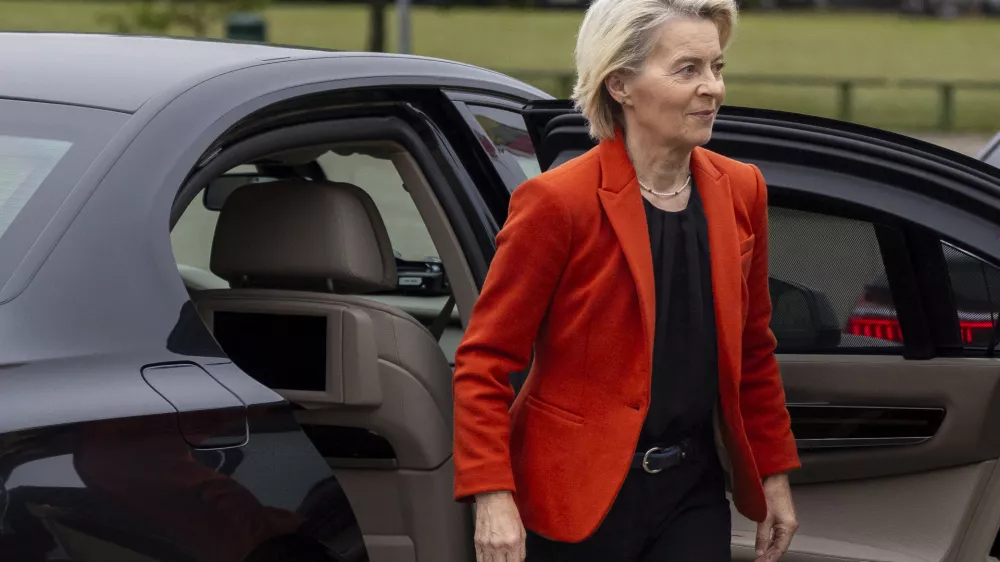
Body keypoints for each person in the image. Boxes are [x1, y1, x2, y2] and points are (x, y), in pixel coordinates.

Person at [452, 0, 801, 560]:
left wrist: (774, 474)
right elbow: (484, 361)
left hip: (693, 491)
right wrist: (492, 496)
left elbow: (754, 351)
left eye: (717, 68)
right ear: (621, 84)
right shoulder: (557, 203)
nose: (712, 88)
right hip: (574, 496)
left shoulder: (742, 189)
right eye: (688, 69)